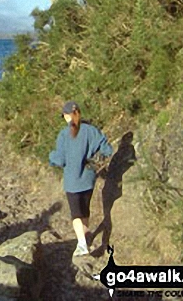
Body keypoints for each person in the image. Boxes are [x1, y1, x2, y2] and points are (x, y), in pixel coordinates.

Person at [49, 101, 113, 257]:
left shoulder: (64, 135)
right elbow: (107, 149)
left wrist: (51, 156)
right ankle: (84, 239)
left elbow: (60, 159)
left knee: (76, 215)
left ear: (66, 116)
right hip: (89, 178)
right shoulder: (91, 131)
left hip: (72, 180)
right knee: (84, 211)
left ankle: (83, 245)